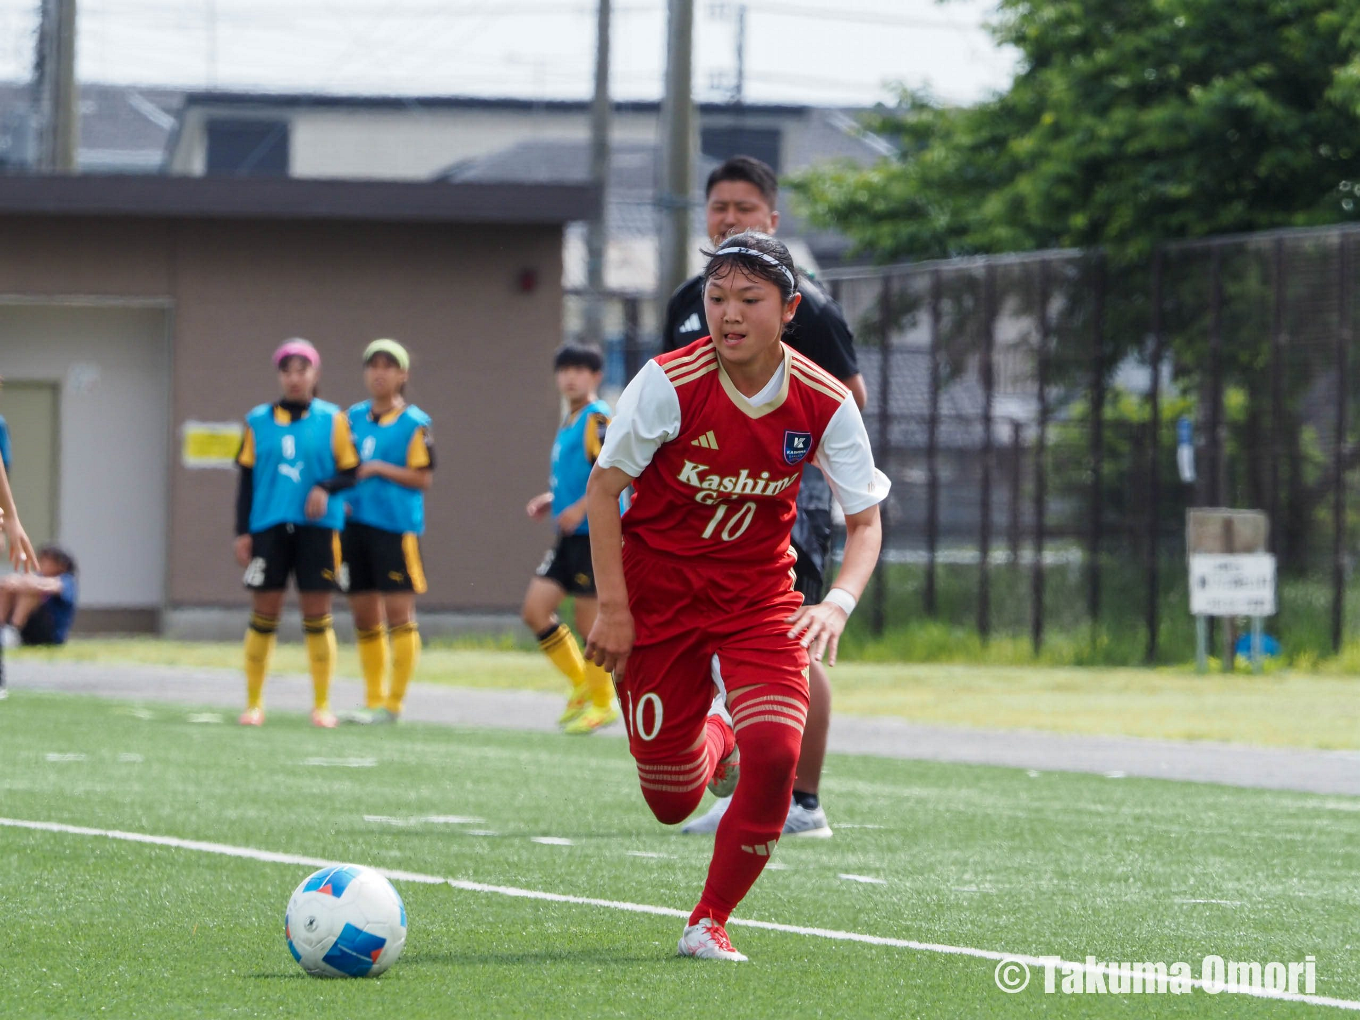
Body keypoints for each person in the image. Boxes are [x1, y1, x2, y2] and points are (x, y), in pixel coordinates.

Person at [585, 232, 889, 961]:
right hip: (659, 598)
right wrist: (615, 610)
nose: (728, 314)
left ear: (788, 310)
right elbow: (603, 492)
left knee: (779, 753)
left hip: (759, 599)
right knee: (669, 800)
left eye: (749, 300)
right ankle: (715, 737)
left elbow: (866, 520)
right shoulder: (668, 382)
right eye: (717, 298)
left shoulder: (822, 399)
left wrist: (835, 602)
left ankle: (709, 919)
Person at [664, 155, 866, 838]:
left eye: (744, 209)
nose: (729, 219)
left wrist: (812, 474)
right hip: (708, 504)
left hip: (787, 498)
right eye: (719, 207)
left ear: (772, 220)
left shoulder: (806, 305)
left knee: (790, 641)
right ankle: (751, 779)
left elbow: (848, 403)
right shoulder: (689, 301)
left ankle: (800, 798)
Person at [234, 338, 359, 728]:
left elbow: (351, 470)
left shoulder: (333, 419)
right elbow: (247, 479)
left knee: (317, 613)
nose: (293, 378)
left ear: (315, 375)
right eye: (286, 371)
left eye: (301, 370)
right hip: (269, 527)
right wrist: (242, 532)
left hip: (318, 530)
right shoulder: (257, 420)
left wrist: (325, 488)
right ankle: (253, 704)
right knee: (264, 612)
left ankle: (321, 704)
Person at [522, 343, 619, 735]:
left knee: (588, 620)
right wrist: (554, 499)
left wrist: (580, 508)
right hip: (570, 537)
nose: (570, 378)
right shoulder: (569, 421)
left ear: (596, 376)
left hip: (594, 535)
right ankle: (582, 684)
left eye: (580, 370)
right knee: (535, 611)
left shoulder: (597, 418)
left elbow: (611, 469)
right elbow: (581, 475)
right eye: (564, 370)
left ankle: (602, 702)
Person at [341, 339, 434, 724]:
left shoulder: (416, 422)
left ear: (403, 374)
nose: (379, 373)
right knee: (364, 614)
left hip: (395, 529)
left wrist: (378, 467)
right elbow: (340, 469)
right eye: (373, 365)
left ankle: (393, 704)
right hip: (353, 527)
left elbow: (422, 477)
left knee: (399, 612)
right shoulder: (350, 419)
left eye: (388, 366)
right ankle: (372, 698)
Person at [0, 545, 77, 647]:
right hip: (28, 629)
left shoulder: (67, 580)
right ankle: (3, 629)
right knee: (9, 587)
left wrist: (21, 584)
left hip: (50, 633)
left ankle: (14, 629)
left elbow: (48, 586)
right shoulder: (38, 577)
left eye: (47, 561)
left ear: (60, 565)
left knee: (30, 591)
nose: (42, 564)